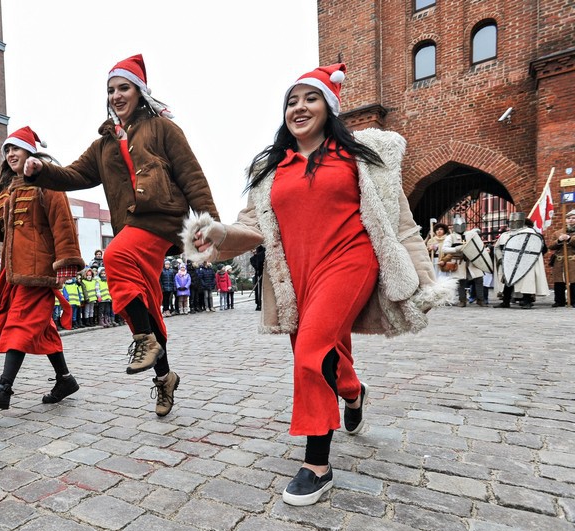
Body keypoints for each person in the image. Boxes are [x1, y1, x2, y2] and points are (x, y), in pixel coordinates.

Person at [183, 64, 453, 506]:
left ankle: (317, 464)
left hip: (350, 261)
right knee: (324, 353)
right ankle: (353, 391)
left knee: (311, 350)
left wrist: (423, 279)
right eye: (292, 101)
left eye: (310, 98)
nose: (300, 107)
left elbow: (399, 223)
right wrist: (217, 234)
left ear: (329, 107)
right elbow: (252, 229)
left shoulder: (363, 157)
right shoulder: (270, 170)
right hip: (296, 276)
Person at [22, 54, 220, 417]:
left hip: (163, 219)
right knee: (143, 302)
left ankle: (143, 340)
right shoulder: (104, 144)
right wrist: (41, 171)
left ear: (140, 91)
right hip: (131, 228)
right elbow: (74, 175)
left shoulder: (163, 129)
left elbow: (193, 177)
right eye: (110, 90)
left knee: (114, 256)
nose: (116, 95)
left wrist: (211, 226)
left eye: (123, 88)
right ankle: (165, 377)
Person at [0, 127, 84, 410]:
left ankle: (3, 388)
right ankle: (65, 379)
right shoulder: (8, 189)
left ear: (30, 151)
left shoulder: (48, 181)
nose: (10, 154)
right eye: (7, 150)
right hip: (14, 272)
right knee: (42, 329)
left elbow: (63, 222)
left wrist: (66, 262)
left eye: (16, 149)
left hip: (39, 271)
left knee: (19, 324)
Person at [493, 213, 548, 309]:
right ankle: (505, 301)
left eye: (516, 221)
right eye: (511, 221)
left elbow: (535, 248)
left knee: (527, 282)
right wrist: (501, 258)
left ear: (521, 222)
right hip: (508, 262)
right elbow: (497, 248)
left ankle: (527, 301)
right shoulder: (505, 235)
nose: (513, 223)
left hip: (524, 263)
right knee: (507, 282)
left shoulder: (530, 233)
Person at [441, 216, 486, 307]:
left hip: (472, 260)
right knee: (460, 281)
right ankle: (462, 300)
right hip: (459, 261)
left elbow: (479, 246)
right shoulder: (451, 237)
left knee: (479, 278)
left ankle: (480, 299)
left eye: (462, 225)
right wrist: (457, 249)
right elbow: (444, 249)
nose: (460, 227)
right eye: (458, 225)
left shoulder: (471, 235)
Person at [550, 209, 575, 307]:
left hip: (573, 260)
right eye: (568, 218)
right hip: (559, 260)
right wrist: (559, 240)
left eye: (573, 218)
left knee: (573, 281)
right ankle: (559, 301)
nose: (571, 220)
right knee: (559, 281)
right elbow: (551, 246)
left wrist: (569, 239)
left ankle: (573, 301)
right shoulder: (558, 233)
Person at [250, 245, 265, 311]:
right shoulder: (252, 259)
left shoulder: (262, 253)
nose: (254, 251)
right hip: (258, 274)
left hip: (264, 273)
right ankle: (258, 303)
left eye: (255, 249)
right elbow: (256, 267)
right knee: (258, 290)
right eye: (252, 250)